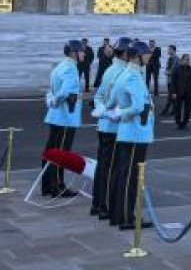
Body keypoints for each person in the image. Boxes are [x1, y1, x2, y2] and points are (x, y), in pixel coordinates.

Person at [109, 39, 155, 231]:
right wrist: (122, 113)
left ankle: (119, 214)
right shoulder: (134, 77)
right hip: (136, 132)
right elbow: (137, 106)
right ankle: (128, 217)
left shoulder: (123, 74)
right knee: (131, 176)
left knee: (123, 174)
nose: (149, 57)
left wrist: (116, 111)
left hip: (126, 132)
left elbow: (112, 100)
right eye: (146, 54)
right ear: (137, 56)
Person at [90, 37, 131, 218]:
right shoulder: (123, 72)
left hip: (104, 125)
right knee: (112, 168)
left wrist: (102, 112)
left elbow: (98, 97)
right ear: (127, 54)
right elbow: (121, 101)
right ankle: (104, 205)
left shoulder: (109, 69)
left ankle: (97, 203)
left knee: (103, 166)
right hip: (115, 126)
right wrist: (112, 112)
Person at [43, 39, 85, 197]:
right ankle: (57, 186)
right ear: (74, 52)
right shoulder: (70, 68)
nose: (83, 53)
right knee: (61, 152)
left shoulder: (59, 66)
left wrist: (52, 99)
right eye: (81, 51)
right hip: (66, 116)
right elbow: (65, 91)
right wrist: (55, 100)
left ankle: (47, 185)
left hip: (56, 116)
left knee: (51, 150)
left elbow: (53, 89)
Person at [171, 54, 191, 130]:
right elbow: (173, 81)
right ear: (182, 60)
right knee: (177, 109)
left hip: (188, 92)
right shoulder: (176, 69)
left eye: (188, 60)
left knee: (188, 109)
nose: (187, 61)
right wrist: (173, 92)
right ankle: (179, 123)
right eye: (186, 59)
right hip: (178, 92)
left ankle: (185, 123)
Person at [161, 45, 178, 116]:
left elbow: (175, 70)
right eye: (168, 49)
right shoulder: (169, 59)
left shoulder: (177, 59)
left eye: (170, 50)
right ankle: (174, 110)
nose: (168, 51)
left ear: (174, 50)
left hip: (173, 81)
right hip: (169, 80)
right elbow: (168, 69)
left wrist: (168, 72)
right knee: (171, 96)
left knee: (170, 96)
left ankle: (166, 110)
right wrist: (167, 72)